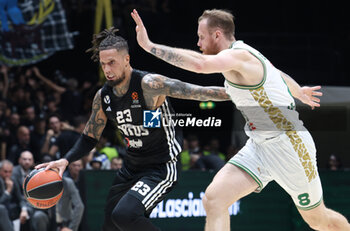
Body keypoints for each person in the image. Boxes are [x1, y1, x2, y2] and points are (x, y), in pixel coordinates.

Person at [131, 8, 350, 231]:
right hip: (259, 147)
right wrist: (298, 91)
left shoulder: (239, 55)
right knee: (214, 199)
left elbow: (199, 65)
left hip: (290, 146)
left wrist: (149, 46)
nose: (198, 43)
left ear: (217, 35)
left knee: (319, 220)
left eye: (201, 36)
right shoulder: (245, 56)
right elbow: (275, 71)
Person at [36, 27, 229, 231]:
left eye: (112, 63)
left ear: (126, 59)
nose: (107, 69)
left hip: (162, 166)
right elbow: (89, 137)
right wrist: (66, 160)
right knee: (110, 223)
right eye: (103, 64)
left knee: (125, 215)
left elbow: (197, 92)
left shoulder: (149, 84)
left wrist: (238, 92)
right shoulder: (103, 97)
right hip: (132, 166)